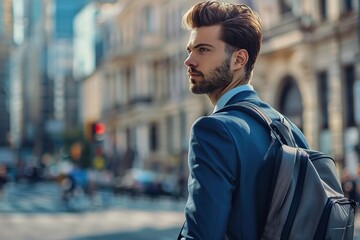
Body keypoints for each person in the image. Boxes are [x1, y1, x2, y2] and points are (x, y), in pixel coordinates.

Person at [178, 1, 309, 239]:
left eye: (203, 49)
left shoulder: (212, 130)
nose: (189, 61)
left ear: (239, 60)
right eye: (190, 50)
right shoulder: (291, 130)